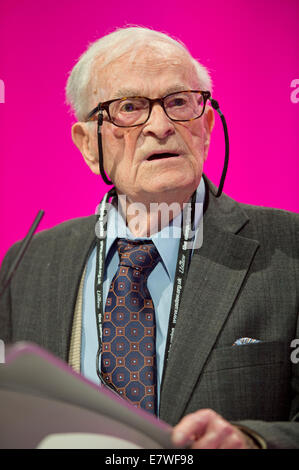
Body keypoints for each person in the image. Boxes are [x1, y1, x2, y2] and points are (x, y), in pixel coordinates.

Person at [0, 26, 298, 449]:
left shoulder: (291, 250)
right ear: (88, 145)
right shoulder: (27, 265)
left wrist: (253, 442)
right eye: (129, 107)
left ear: (207, 125)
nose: (161, 126)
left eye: (178, 102)